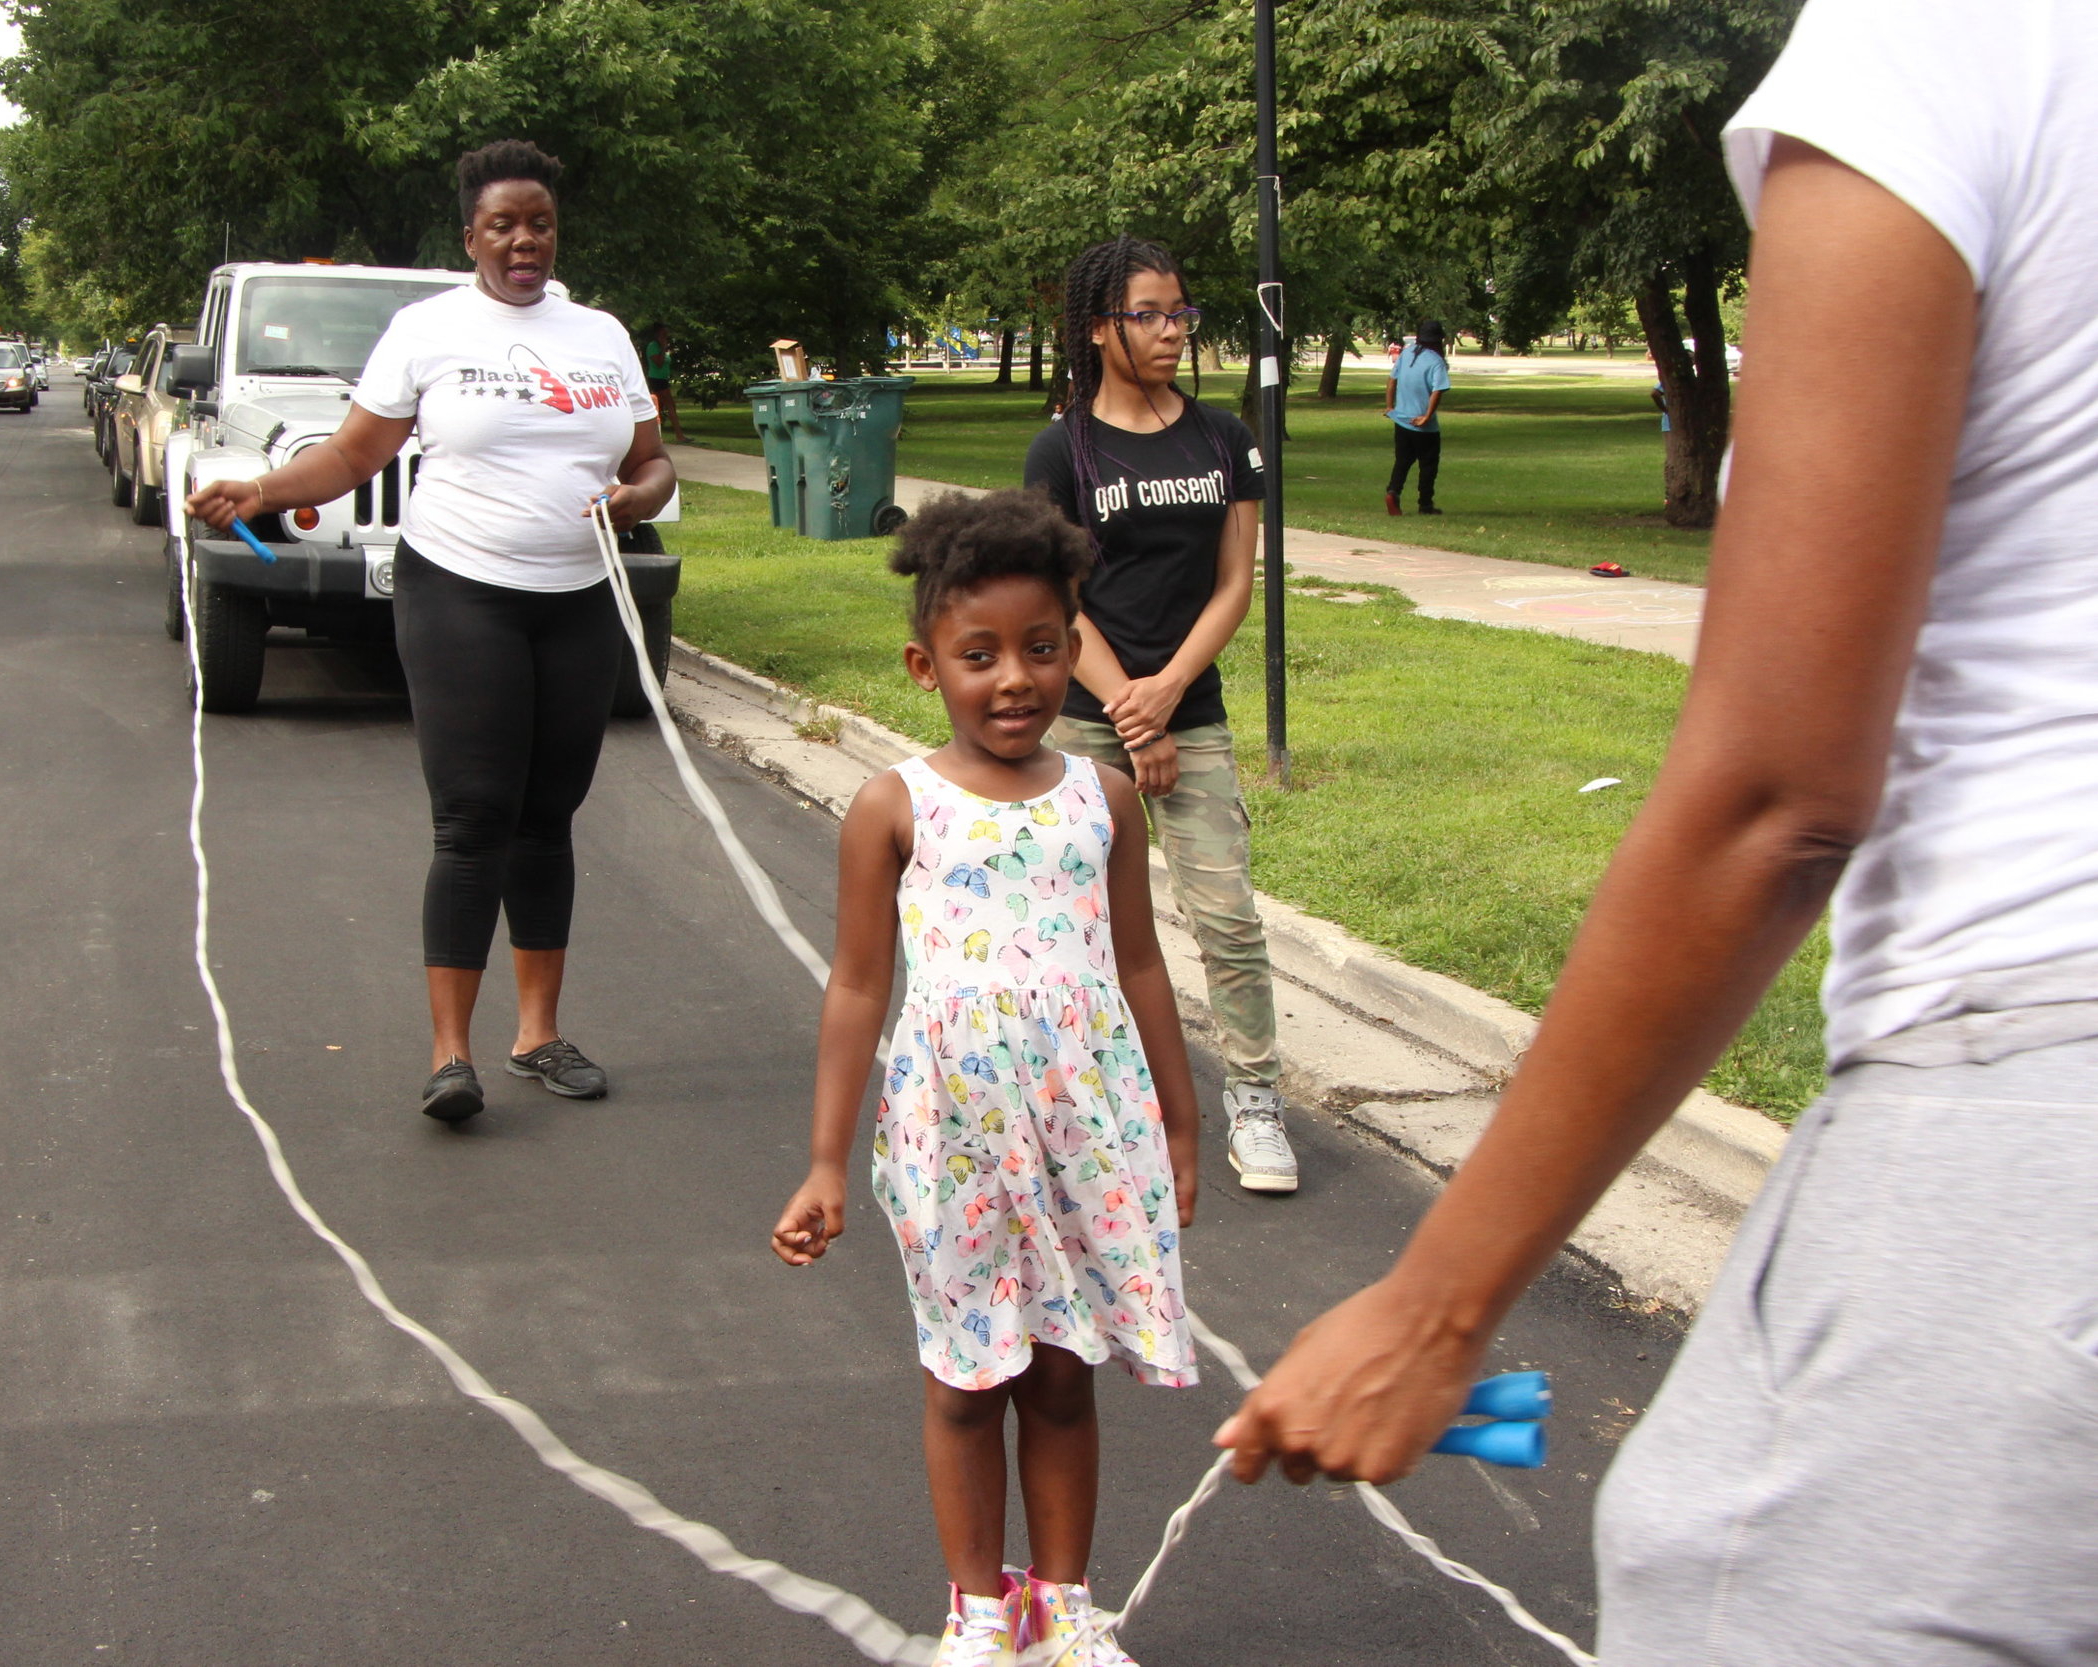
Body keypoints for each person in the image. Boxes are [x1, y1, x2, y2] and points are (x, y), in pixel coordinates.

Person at [1215, 2, 2098, 1661]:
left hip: (2035, 1091)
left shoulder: (1944, 39)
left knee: (1731, 1579)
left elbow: (1777, 797)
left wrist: (1437, 1305)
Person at [771, 491, 1201, 1667]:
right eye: (979, 655)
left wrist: (1178, 1120)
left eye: (1043, 648)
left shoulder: (1102, 799)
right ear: (925, 665)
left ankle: (1060, 1608)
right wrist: (824, 1158)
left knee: (1062, 1376)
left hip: (1087, 1132)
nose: (1014, 678)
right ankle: (975, 1611)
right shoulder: (892, 806)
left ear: (1073, 644)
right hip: (950, 1133)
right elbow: (858, 988)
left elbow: (1141, 960)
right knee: (967, 1380)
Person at [186, 139, 676, 1124]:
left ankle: (537, 1034)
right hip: (460, 590)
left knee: (549, 814)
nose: (524, 239)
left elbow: (654, 462)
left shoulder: (602, 336)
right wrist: (264, 490)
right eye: (503, 224)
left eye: (538, 221)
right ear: (472, 236)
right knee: (473, 815)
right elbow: (352, 453)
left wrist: (633, 500)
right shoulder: (428, 330)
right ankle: (449, 1053)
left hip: (577, 595)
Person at [1023, 234, 1299, 1196]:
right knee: (1079, 921)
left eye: (1181, 313)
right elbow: (1058, 598)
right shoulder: (1063, 449)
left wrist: (1170, 694)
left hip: (1192, 706)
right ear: (1102, 328)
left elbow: (1235, 583)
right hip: (1091, 718)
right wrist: (1132, 716)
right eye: (1149, 315)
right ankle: (1088, 1099)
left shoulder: (1225, 437)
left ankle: (1257, 1103)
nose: (1173, 332)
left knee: (1227, 916)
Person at [1382, 320, 1449, 515]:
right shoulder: (1436, 361)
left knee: (1402, 460)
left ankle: (1393, 492)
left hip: (1401, 419)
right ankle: (1425, 504)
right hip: (1423, 425)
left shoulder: (1407, 353)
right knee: (1428, 465)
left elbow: (1392, 380)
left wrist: (1389, 406)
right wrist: (1427, 416)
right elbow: (1437, 391)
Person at [642, 321, 687, 441]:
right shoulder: (653, 346)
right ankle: (679, 435)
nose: (665, 335)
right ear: (657, 333)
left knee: (658, 408)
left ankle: (652, 437)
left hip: (662, 379)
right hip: (657, 379)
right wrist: (662, 347)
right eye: (663, 333)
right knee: (671, 405)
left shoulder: (662, 346)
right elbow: (659, 363)